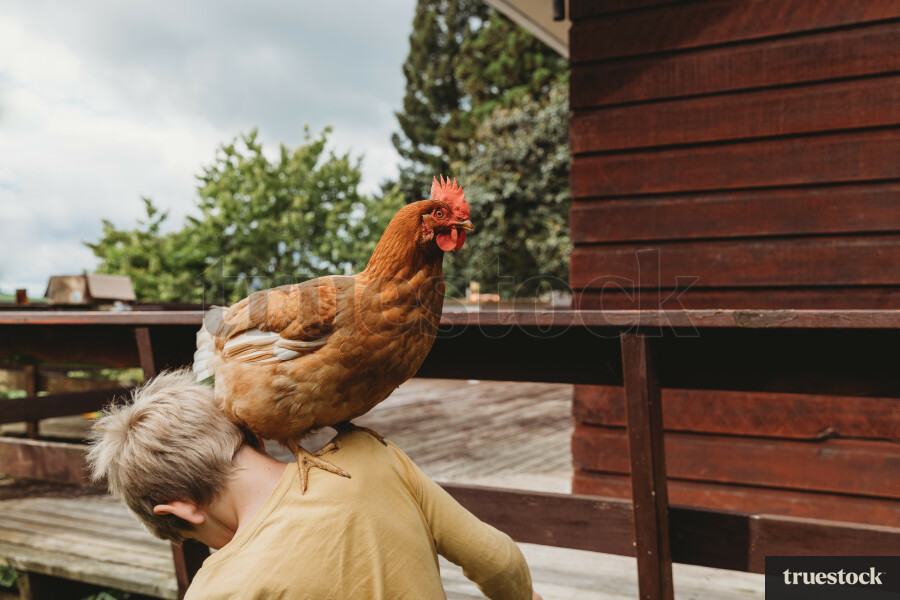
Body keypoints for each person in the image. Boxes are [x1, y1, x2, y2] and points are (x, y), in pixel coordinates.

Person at [88, 370, 542, 600]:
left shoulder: (215, 592)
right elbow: (498, 560)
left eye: (196, 540)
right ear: (253, 435)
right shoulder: (370, 455)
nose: (212, 548)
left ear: (180, 511)